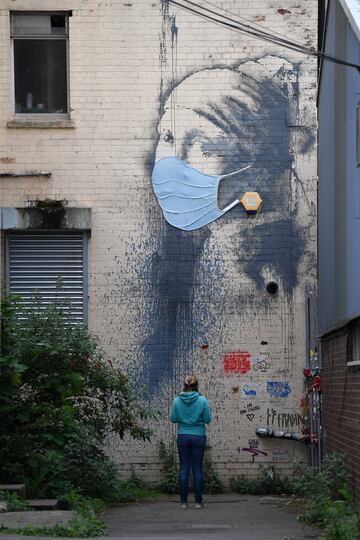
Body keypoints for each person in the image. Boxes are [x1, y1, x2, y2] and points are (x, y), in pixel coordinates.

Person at [170, 375, 212, 509]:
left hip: (183, 435)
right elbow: (207, 419)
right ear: (196, 385)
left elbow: (173, 419)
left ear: (184, 385)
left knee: (184, 468)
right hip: (198, 436)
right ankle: (198, 502)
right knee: (197, 468)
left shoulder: (177, 400)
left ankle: (183, 502)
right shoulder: (202, 400)